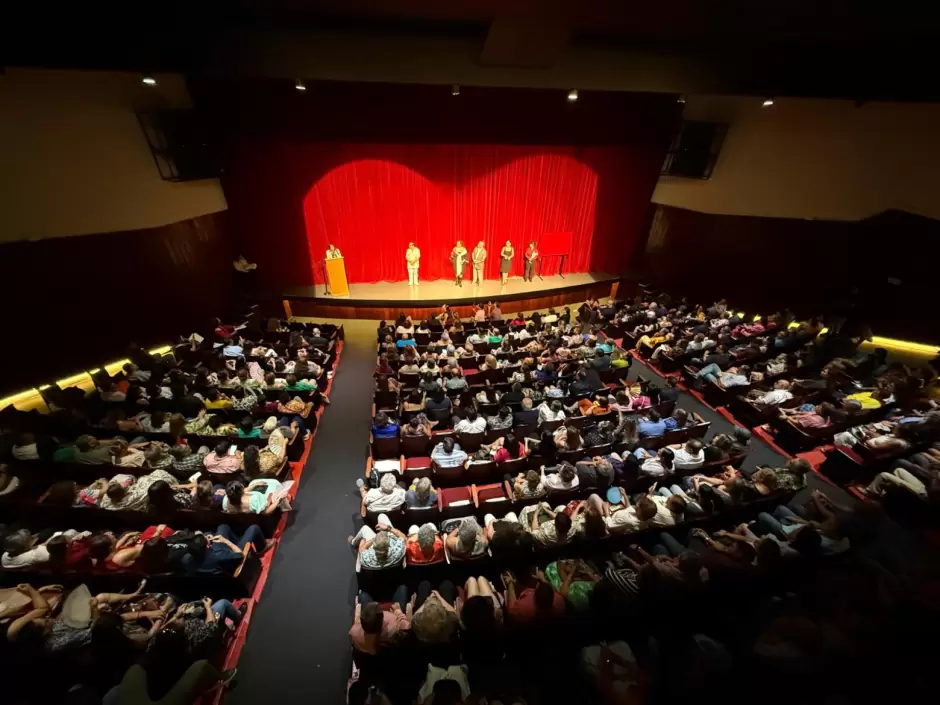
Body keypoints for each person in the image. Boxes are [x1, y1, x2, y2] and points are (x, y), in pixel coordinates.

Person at [351, 587, 412, 654]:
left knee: (363, 595)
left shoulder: (354, 633)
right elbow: (408, 627)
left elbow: (357, 623)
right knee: (402, 588)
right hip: (394, 614)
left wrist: (357, 610)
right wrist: (398, 611)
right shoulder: (395, 628)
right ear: (382, 620)